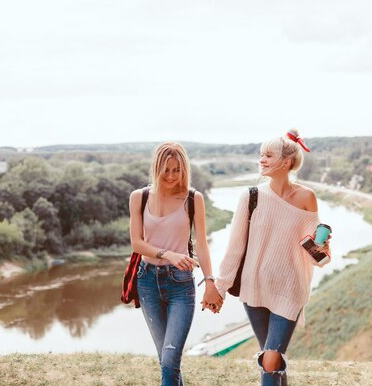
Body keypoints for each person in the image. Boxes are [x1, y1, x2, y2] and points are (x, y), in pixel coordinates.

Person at [216, 129, 331, 386]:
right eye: (261, 155)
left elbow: (313, 253)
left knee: (270, 359)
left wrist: (322, 249)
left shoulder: (306, 197)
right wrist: (220, 287)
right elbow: (235, 247)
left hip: (290, 289)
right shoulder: (251, 196)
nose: (262, 160)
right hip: (254, 288)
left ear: (286, 162)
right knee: (274, 359)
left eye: (268, 155)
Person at [129, 142, 223, 386]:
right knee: (166, 361)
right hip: (147, 281)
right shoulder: (139, 198)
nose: (171, 176)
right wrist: (167, 254)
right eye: (166, 169)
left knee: (170, 360)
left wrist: (210, 282)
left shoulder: (193, 199)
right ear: (156, 168)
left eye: (177, 170)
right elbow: (137, 243)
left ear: (184, 170)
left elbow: (201, 244)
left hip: (180, 284)